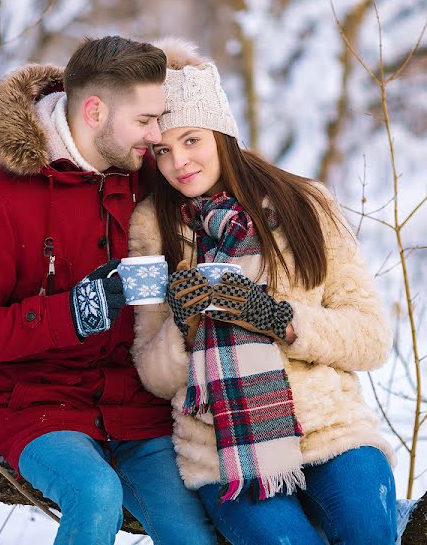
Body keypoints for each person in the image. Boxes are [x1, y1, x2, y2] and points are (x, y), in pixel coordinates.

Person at [0, 36, 215, 545]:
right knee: (95, 492)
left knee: (193, 532)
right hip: (39, 405)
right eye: (145, 121)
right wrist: (70, 313)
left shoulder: (152, 178)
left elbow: (222, 169)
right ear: (96, 111)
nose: (157, 135)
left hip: (138, 409)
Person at [128, 38, 398, 544]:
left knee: (369, 529)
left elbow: (371, 338)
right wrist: (182, 329)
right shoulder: (150, 228)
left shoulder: (304, 203)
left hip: (329, 431)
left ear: (222, 131)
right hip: (222, 451)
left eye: (191, 140)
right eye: (162, 150)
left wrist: (280, 319)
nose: (178, 163)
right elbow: (151, 374)